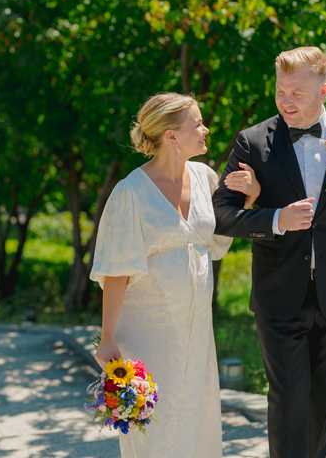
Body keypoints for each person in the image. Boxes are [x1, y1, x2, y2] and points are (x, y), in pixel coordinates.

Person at [212, 47, 326, 458]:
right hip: (279, 297)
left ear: (324, 91)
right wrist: (276, 218)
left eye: (297, 93)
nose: (286, 101)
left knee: (322, 404)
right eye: (280, 92)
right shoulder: (253, 141)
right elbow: (219, 215)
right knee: (288, 403)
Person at [91, 92, 259, 458]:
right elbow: (116, 272)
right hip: (148, 336)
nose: (206, 129)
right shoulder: (130, 193)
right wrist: (106, 336)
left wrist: (249, 199)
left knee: (198, 425)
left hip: (197, 334)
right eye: (197, 123)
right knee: (156, 431)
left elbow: (217, 241)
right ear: (171, 136)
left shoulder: (205, 178)